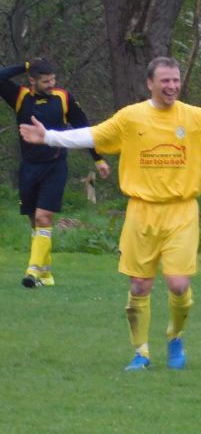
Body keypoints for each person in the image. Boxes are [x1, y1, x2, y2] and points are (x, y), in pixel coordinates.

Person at [19, 56, 201, 371]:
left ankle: (175, 335)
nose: (172, 86)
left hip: (181, 211)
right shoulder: (131, 118)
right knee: (139, 287)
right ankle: (141, 353)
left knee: (178, 284)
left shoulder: (194, 117)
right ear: (150, 84)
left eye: (175, 80)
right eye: (165, 81)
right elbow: (92, 135)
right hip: (141, 211)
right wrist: (48, 136)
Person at [0, 58, 111, 288]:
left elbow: (83, 128)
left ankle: (31, 272)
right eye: (45, 81)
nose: (51, 84)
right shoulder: (20, 97)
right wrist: (25, 64)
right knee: (35, 223)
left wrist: (98, 158)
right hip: (29, 168)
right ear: (32, 81)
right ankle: (46, 273)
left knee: (44, 218)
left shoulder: (64, 98)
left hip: (55, 166)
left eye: (53, 80)